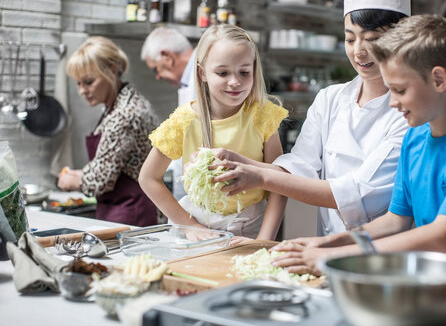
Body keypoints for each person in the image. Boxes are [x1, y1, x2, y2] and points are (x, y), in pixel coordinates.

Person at [271, 14, 446, 280]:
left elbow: (442, 236)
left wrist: (333, 256)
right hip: (432, 276)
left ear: (439, 80)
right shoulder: (414, 139)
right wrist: (329, 243)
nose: (392, 102)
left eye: (400, 90)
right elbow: (395, 221)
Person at [210, 0, 410, 236]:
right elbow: (299, 166)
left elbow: (357, 192)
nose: (358, 51)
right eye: (350, 38)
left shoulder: (408, 111)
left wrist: (259, 177)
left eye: (372, 39)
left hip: (387, 253)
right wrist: (239, 161)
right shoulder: (331, 98)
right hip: (328, 246)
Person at [139, 24, 289, 240]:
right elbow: (148, 178)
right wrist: (191, 227)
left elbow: (280, 182)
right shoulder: (184, 120)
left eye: (244, 72)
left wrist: (264, 240)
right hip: (196, 226)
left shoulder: (263, 116)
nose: (235, 81)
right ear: (202, 73)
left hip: (250, 227)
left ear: (254, 70)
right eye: (222, 72)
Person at [57, 36, 158, 226]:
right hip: (119, 208)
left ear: (112, 71)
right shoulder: (120, 105)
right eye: (78, 83)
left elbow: (101, 180)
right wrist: (80, 173)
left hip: (131, 212)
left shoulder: (124, 114)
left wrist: (71, 181)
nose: (82, 91)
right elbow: (112, 164)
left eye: (88, 82)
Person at [141, 27, 197, 201]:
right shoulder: (187, 82)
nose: (157, 77)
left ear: (167, 56)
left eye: (155, 69)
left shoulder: (202, 73)